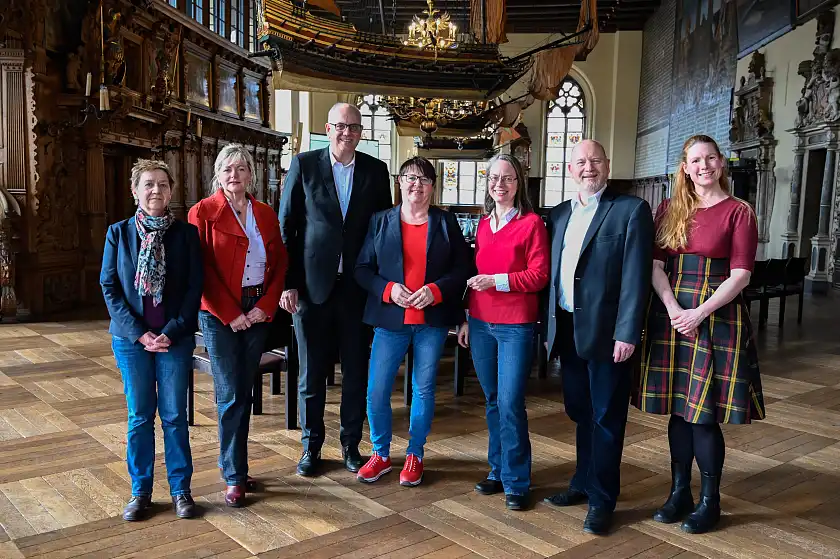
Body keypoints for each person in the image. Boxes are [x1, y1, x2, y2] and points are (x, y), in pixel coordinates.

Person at [633, 135, 764, 534]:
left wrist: (699, 312)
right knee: (679, 408)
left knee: (702, 413)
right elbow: (655, 266)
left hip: (717, 316)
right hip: (671, 314)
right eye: (695, 160)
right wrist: (674, 309)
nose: (703, 166)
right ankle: (679, 493)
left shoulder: (739, 211)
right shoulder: (668, 209)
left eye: (710, 158)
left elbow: (741, 275)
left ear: (721, 163)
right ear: (685, 168)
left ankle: (710, 500)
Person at [542, 139, 654, 535]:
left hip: (608, 335)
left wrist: (628, 332)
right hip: (567, 329)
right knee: (580, 412)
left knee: (607, 417)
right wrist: (548, 329)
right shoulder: (558, 214)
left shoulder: (631, 210)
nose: (588, 167)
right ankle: (582, 482)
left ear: (607, 165)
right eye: (581, 162)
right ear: (569, 169)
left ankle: (603, 499)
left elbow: (636, 278)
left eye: (595, 160)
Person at [279, 102, 393, 477]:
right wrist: (288, 283)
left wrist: (381, 285)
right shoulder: (304, 165)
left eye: (354, 127)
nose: (348, 133)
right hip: (311, 289)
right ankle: (311, 447)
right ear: (328, 129)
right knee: (311, 374)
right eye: (341, 126)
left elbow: (384, 231)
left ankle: (350, 445)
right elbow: (286, 227)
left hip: (357, 290)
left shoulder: (376, 171)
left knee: (356, 373)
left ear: (361, 133)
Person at [354, 157, 472, 486]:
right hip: (390, 320)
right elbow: (362, 269)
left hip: (431, 322)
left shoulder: (446, 222)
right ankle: (380, 454)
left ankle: (415, 454)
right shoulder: (380, 221)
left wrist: (436, 291)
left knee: (424, 389)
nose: (416, 184)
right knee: (377, 390)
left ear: (433, 186)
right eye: (409, 177)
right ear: (400, 182)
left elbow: (463, 269)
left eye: (423, 179)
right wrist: (388, 289)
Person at [100, 159, 202, 521]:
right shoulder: (118, 233)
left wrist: (170, 331)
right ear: (135, 191)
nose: (155, 190)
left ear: (171, 191)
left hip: (175, 339)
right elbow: (110, 287)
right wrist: (140, 333)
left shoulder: (186, 234)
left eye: (162, 184)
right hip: (132, 341)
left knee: (174, 416)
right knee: (140, 416)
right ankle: (140, 491)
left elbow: (194, 288)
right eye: (148, 184)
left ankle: (180, 491)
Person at [188, 144, 287, 508]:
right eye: (228, 169)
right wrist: (231, 313)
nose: (235, 175)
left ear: (251, 175)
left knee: (244, 392)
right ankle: (233, 475)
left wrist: (264, 307)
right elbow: (201, 269)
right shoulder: (202, 212)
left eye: (241, 168)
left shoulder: (265, 213)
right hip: (219, 314)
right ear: (218, 174)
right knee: (230, 393)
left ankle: (236, 465)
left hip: (257, 310)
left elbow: (280, 263)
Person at [456, 154, 549, 511]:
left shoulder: (532, 224)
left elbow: (538, 276)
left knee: (510, 403)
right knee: (493, 400)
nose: (500, 184)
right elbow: (473, 279)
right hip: (480, 323)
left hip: (515, 325)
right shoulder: (482, 224)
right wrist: (467, 318)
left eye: (507, 178)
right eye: (494, 178)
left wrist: (496, 281)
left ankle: (517, 481)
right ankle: (497, 470)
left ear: (518, 183)